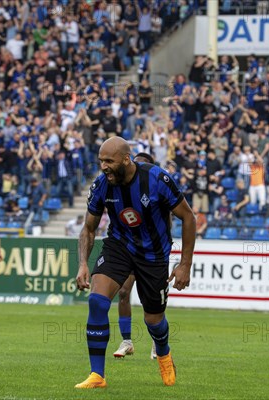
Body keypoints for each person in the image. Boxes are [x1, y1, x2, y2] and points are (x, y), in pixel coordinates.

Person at [75, 137, 196, 389]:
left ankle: (163, 353)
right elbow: (88, 228)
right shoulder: (101, 185)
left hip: (154, 254)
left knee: (153, 319)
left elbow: (188, 217)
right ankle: (97, 375)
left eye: (109, 161)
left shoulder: (156, 179)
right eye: (101, 161)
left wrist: (185, 264)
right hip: (119, 246)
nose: (104, 166)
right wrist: (83, 264)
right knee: (97, 301)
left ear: (126, 159)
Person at [112, 152, 159, 360]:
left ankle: (158, 343)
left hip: (151, 252)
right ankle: (127, 341)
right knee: (123, 292)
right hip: (129, 249)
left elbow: (166, 222)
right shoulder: (123, 192)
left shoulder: (156, 189)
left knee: (152, 301)